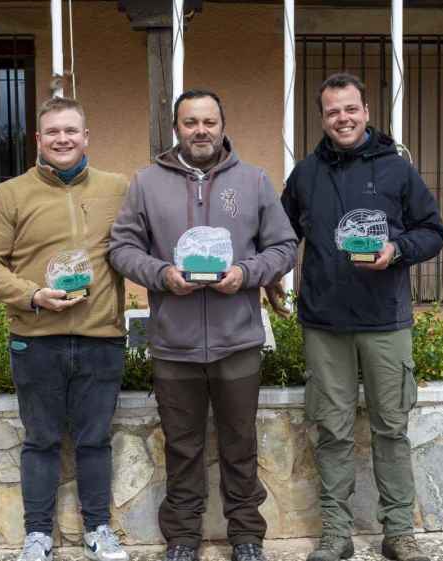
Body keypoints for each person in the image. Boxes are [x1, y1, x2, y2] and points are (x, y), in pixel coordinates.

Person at [108, 89, 297, 561]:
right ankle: (183, 538)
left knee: (240, 444)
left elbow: (284, 246)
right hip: (174, 344)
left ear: (223, 125)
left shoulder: (253, 181)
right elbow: (122, 248)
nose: (200, 130)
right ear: (176, 128)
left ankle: (247, 536)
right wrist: (162, 275)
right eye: (190, 122)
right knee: (183, 447)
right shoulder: (147, 182)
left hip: (238, 342)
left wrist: (248, 274)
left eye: (209, 121)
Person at [271, 73, 443, 561]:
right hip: (324, 323)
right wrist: (266, 277)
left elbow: (433, 230)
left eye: (350, 109)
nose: (342, 119)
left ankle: (398, 532)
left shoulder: (397, 170)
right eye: (332, 111)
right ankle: (336, 534)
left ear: (366, 112)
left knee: (391, 428)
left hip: (385, 321)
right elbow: (282, 239)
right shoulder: (305, 174)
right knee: (333, 430)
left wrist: (398, 248)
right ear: (322, 117)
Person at [0, 97, 129, 561]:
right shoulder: (10, 194)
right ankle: (37, 535)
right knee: (40, 440)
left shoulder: (117, 188)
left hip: (101, 337)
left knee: (95, 439)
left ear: (86, 137)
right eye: (53, 132)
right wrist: (31, 295)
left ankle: (99, 530)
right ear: (39, 139)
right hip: (35, 338)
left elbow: (138, 244)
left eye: (71, 131)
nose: (63, 139)